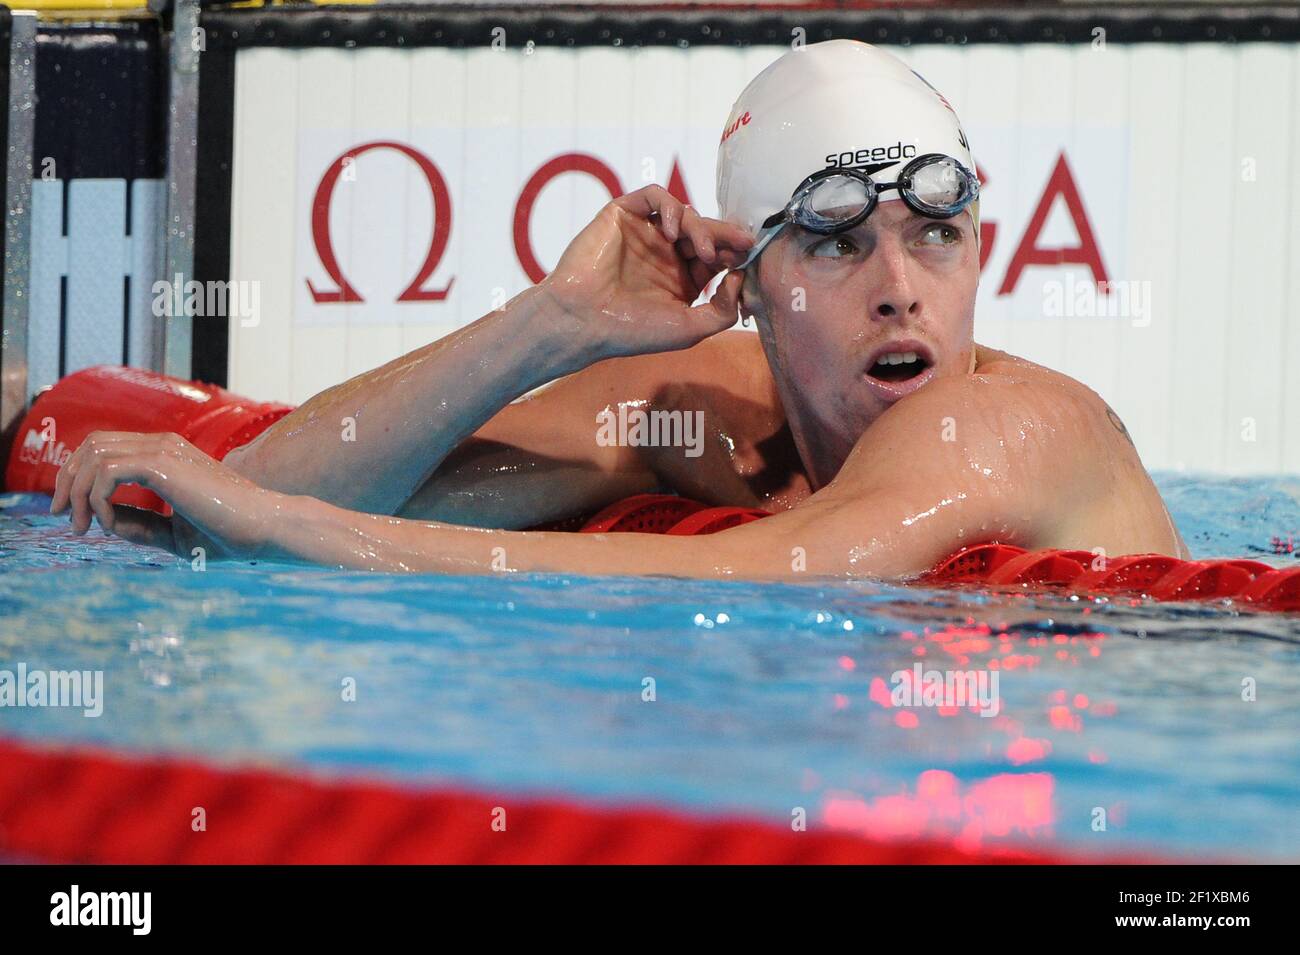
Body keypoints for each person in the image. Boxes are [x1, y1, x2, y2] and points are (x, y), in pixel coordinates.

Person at [51, 40, 1187, 578]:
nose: (900, 285)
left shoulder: (1009, 429)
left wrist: (283, 529)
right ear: (744, 287)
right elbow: (251, 497)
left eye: (936, 234)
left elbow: (772, 583)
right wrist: (548, 326)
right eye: (839, 243)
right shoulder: (710, 417)